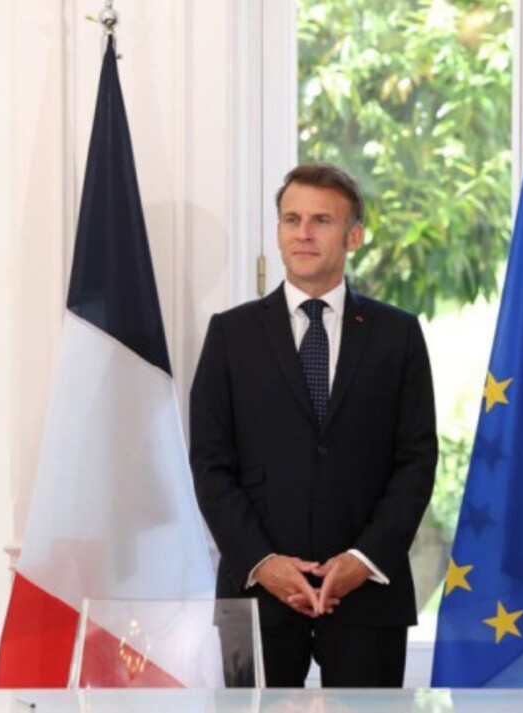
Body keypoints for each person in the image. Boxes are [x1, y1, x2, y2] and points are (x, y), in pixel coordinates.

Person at [190, 162, 437, 687]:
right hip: (255, 593)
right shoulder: (231, 335)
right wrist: (263, 563)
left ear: (354, 236)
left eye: (321, 220)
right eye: (291, 219)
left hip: (368, 595)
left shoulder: (398, 335)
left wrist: (363, 559)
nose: (303, 233)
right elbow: (210, 464)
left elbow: (416, 461)